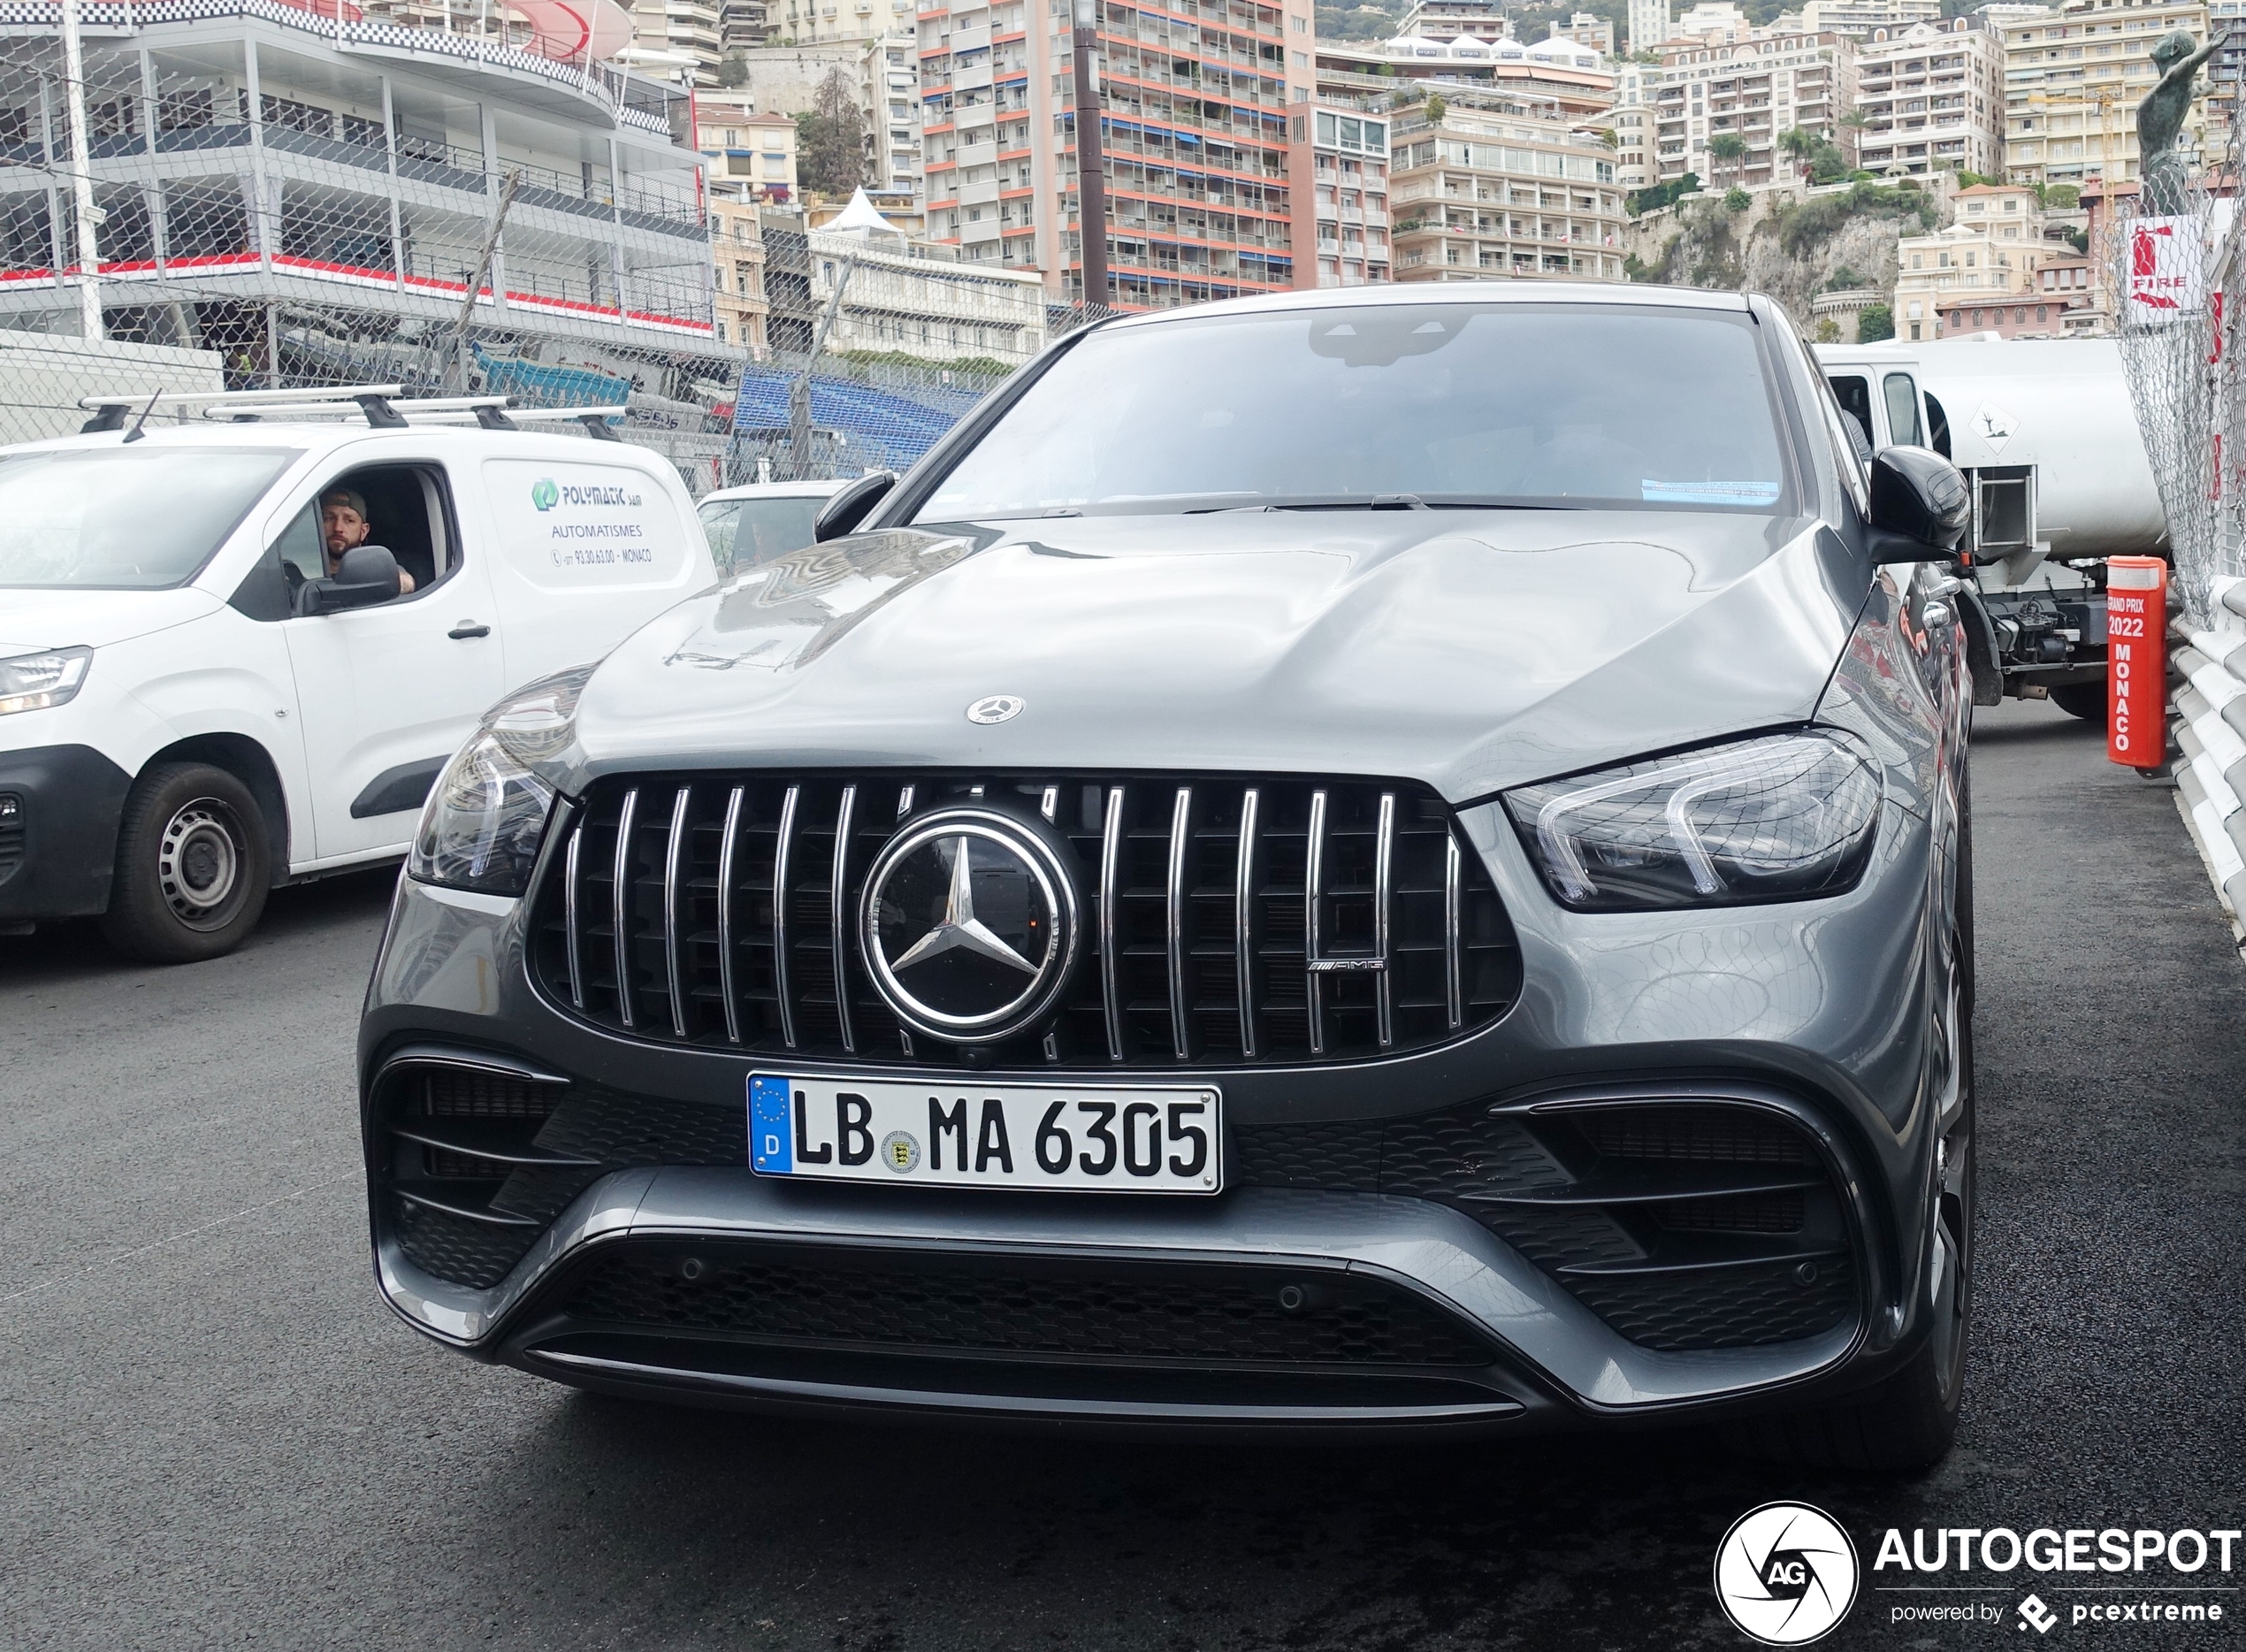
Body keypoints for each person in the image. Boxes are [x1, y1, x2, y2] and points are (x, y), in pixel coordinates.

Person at [320, 487, 415, 593]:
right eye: (329, 518)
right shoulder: (300, 572)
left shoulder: (376, 568)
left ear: (363, 531)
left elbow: (406, 582)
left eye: (349, 520)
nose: (338, 528)